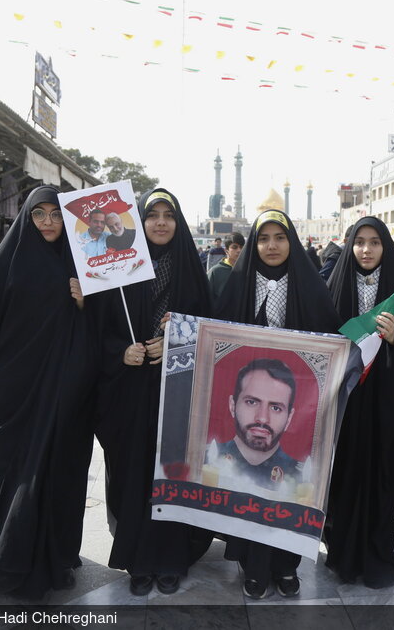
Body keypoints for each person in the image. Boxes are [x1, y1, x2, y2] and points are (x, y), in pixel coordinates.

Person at [0, 186, 94, 598]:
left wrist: (85, 303)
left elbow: (102, 328)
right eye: (39, 214)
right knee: (2, 472)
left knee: (56, 470)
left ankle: (53, 559)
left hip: (62, 388)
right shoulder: (6, 261)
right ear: (27, 218)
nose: (48, 222)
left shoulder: (80, 264)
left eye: (56, 214)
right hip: (13, 389)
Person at [216, 209, 341, 599]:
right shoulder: (238, 286)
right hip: (250, 410)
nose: (272, 245)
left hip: (293, 411)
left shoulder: (312, 288)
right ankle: (252, 565)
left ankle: (286, 564)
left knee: (289, 485)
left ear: (292, 242)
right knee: (247, 483)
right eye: (264, 238)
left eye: (280, 237)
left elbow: (330, 342)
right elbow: (215, 335)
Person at [93, 189, 212, 597]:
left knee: (174, 472)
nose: (161, 222)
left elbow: (212, 330)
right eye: (152, 215)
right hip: (130, 391)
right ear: (139, 222)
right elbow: (99, 328)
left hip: (178, 391)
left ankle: (172, 557)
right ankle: (138, 559)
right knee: (134, 472)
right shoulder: (118, 270)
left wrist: (176, 342)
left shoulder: (192, 273)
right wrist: (120, 351)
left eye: (169, 215)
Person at [323, 216, 394, 588]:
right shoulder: (334, 286)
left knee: (382, 476)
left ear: (385, 246)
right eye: (360, 242)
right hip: (346, 404)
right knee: (344, 477)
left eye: (375, 242)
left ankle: (377, 553)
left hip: (387, 404)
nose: (366, 250)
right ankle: (342, 553)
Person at [218, 358, 302, 488]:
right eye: (251, 402)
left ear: (289, 418)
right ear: (232, 406)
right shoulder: (203, 460)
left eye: (276, 408)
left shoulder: (301, 478)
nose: (262, 418)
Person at [207, 232, 245, 302]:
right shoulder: (215, 272)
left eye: (242, 247)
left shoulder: (247, 270)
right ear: (226, 250)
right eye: (234, 247)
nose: (239, 250)